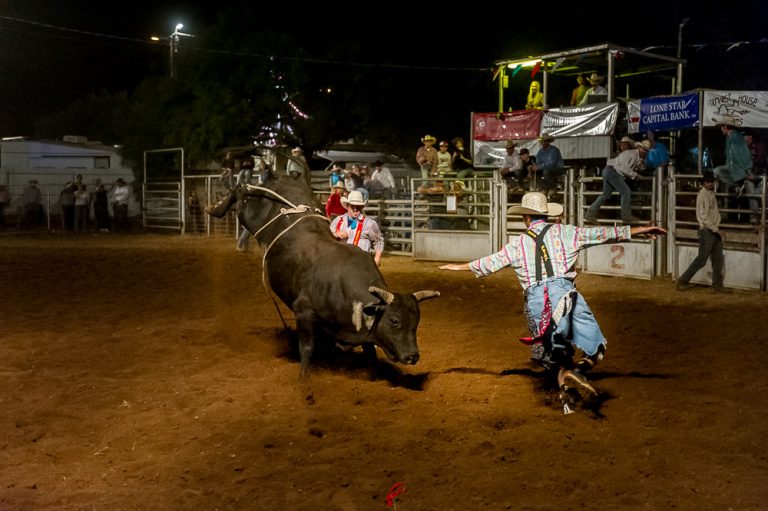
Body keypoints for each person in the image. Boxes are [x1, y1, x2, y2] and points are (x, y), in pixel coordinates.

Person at [439, 192, 667, 413]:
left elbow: (489, 263)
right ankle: (579, 371)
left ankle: (568, 400)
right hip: (564, 295)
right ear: (545, 214)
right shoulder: (567, 232)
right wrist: (640, 229)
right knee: (597, 346)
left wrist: (457, 266)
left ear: (526, 217)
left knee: (560, 357)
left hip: (537, 303)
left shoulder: (516, 244)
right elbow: (605, 233)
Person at [677, 172, 731, 293]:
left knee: (716, 259)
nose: (710, 183)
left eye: (711, 181)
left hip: (712, 229)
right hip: (708, 230)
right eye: (708, 181)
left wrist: (716, 229)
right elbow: (704, 216)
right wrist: (717, 230)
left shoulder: (709, 194)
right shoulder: (703, 195)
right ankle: (682, 280)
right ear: (703, 183)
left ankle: (717, 285)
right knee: (702, 259)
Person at [585, 140, 649, 224]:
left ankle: (590, 214)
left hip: (609, 170)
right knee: (626, 192)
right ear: (639, 148)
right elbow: (623, 168)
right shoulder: (631, 154)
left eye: (646, 150)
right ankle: (626, 216)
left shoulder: (636, 157)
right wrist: (635, 175)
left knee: (606, 194)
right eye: (643, 149)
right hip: (614, 172)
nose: (644, 151)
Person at [329, 190, 385, 266]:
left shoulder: (370, 224)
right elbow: (328, 236)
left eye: (358, 206)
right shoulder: (338, 220)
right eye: (353, 205)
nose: (355, 208)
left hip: (362, 263)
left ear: (362, 207)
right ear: (348, 206)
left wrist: (377, 258)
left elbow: (379, 241)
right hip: (340, 262)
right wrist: (336, 234)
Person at [712, 115, 751, 195]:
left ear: (725, 127)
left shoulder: (737, 137)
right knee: (717, 171)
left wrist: (747, 169)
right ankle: (737, 185)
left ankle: (738, 184)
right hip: (731, 166)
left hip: (739, 167)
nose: (721, 129)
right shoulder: (729, 137)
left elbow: (745, 152)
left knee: (717, 171)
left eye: (722, 127)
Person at [743, 129, 767, 223]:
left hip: (761, 175)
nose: (743, 138)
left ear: (750, 137)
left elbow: (761, 160)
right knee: (752, 194)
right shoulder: (744, 147)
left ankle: (756, 215)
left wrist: (750, 161)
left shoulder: (761, 145)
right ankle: (755, 216)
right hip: (750, 174)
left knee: (756, 194)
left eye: (744, 136)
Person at [531, 133, 565, 199]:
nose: (543, 142)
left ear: (548, 141)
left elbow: (551, 163)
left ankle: (553, 188)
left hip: (557, 169)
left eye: (545, 141)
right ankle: (543, 188)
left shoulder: (554, 150)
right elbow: (538, 162)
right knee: (537, 171)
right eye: (542, 141)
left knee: (546, 171)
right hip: (546, 170)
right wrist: (535, 167)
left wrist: (539, 167)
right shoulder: (540, 152)